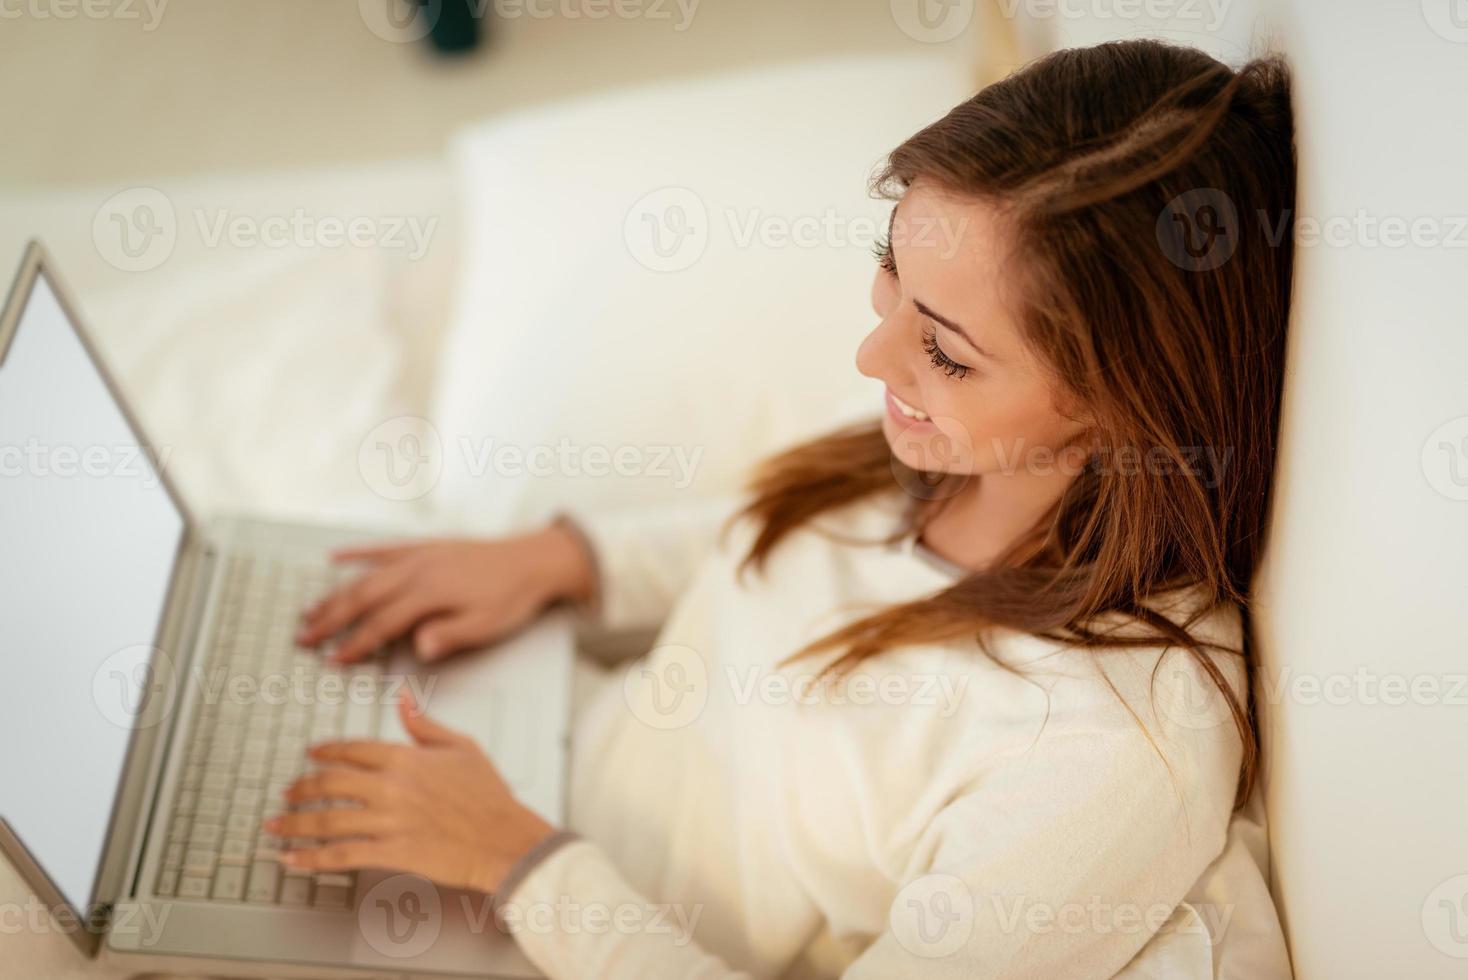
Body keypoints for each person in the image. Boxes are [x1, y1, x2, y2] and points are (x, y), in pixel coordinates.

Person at [275, 39, 1297, 978]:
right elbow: (785, 556)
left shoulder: (1113, 751)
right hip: (525, 787)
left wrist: (521, 864)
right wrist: (568, 561)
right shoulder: (963, 459)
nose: (874, 356)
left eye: (944, 348)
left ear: (1123, 403)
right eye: (891, 266)